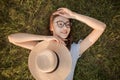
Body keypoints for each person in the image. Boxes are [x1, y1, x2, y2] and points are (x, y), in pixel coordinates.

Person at [8, 8, 106, 80]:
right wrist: (44, 38)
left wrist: (74, 15)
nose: (65, 28)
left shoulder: (74, 50)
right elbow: (12, 38)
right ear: (51, 27)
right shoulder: (44, 49)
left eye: (68, 24)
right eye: (60, 24)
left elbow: (101, 27)